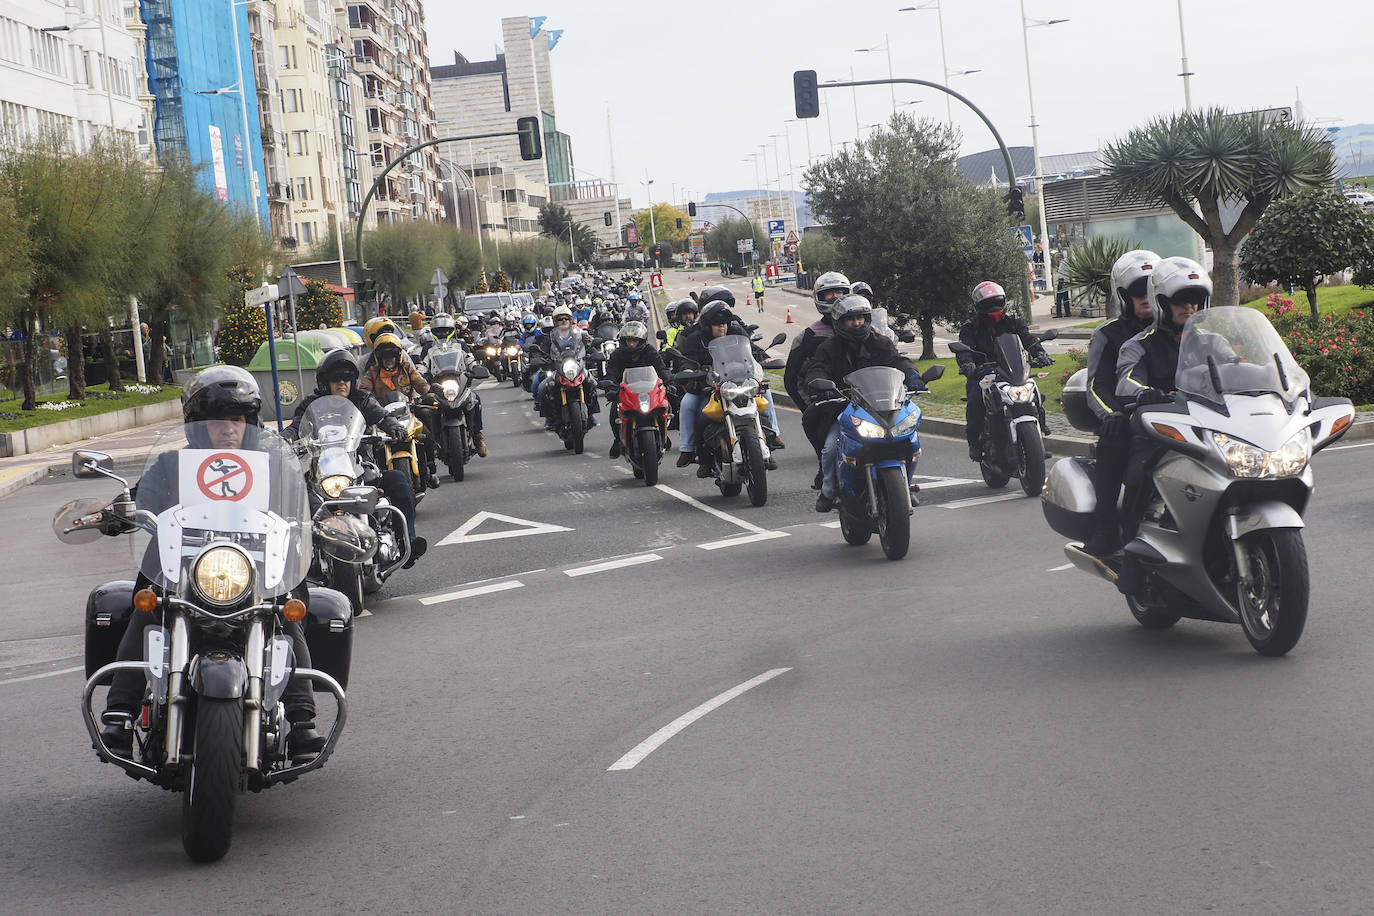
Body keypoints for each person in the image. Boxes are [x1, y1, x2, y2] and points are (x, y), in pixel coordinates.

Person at [99, 367, 327, 759]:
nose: (228, 430)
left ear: (249, 423)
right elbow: (143, 498)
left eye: (236, 420)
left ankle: (303, 721)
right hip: (182, 571)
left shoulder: (272, 464)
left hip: (256, 572)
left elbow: (303, 499)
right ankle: (119, 714)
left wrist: (325, 517)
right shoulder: (171, 466)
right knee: (146, 607)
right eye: (218, 421)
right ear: (198, 427)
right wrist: (116, 511)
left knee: (288, 612)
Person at [1113, 256, 1213, 593]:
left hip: (1209, 426)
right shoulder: (1139, 345)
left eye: (1195, 300)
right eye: (1180, 301)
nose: (1189, 307)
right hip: (1161, 431)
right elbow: (1125, 382)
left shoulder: (1213, 342)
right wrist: (1145, 394)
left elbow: (1243, 367)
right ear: (1163, 303)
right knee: (1140, 476)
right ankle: (1130, 557)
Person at [289, 349, 428, 567]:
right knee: (297, 493)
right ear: (326, 382)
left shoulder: (361, 400)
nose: (342, 383)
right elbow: (296, 426)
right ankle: (302, 560)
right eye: (336, 379)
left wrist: (393, 427)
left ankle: (406, 540)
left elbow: (381, 416)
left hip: (359, 467)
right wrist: (283, 440)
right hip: (323, 472)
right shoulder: (310, 404)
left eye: (346, 378)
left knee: (399, 480)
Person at [803, 296, 925, 512]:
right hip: (845, 408)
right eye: (851, 319)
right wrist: (819, 383)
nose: (857, 323)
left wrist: (912, 374)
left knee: (911, 441)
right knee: (831, 448)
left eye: (861, 318)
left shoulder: (880, 342)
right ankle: (828, 491)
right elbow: (817, 368)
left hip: (882, 405)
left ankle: (906, 485)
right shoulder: (829, 347)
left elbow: (897, 361)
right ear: (839, 322)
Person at [1079, 250, 1160, 557]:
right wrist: (1112, 414)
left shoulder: (1179, 330)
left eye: (1151, 289)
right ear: (1123, 295)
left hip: (1177, 417)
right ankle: (1107, 528)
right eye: (1138, 292)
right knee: (1112, 444)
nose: (1145, 297)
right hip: (1128, 418)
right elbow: (1096, 385)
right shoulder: (1108, 335)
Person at [674, 299, 783, 476]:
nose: (722, 328)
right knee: (687, 404)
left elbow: (752, 350)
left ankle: (772, 436)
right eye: (717, 324)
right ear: (708, 325)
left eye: (724, 323)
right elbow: (687, 359)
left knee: (766, 392)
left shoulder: (737, 332)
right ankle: (691, 451)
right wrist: (688, 369)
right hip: (707, 386)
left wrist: (764, 358)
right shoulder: (696, 338)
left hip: (739, 382)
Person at [956, 281, 1052, 463]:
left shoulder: (1013, 322)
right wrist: (968, 364)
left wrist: (1040, 354)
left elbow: (1028, 339)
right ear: (978, 306)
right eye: (987, 304)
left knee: (1034, 393)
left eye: (996, 302)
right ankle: (975, 443)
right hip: (983, 374)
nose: (993, 307)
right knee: (975, 401)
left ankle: (1039, 434)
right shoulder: (970, 327)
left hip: (1013, 371)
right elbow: (964, 349)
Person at [784, 271, 850, 487]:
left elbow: (887, 358)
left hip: (866, 399)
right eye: (829, 294)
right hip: (829, 402)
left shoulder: (864, 327)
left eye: (840, 292)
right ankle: (827, 479)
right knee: (829, 447)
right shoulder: (809, 336)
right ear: (819, 298)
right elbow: (792, 379)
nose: (835, 297)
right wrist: (811, 406)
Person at [603, 320, 669, 458]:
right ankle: (617, 440)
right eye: (628, 340)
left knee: (670, 402)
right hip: (626, 393)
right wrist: (610, 386)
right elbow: (611, 373)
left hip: (650, 391)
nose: (631, 344)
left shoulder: (649, 351)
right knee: (614, 413)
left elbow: (661, 369)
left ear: (641, 340)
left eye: (634, 340)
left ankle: (664, 433)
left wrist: (670, 381)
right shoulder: (617, 354)